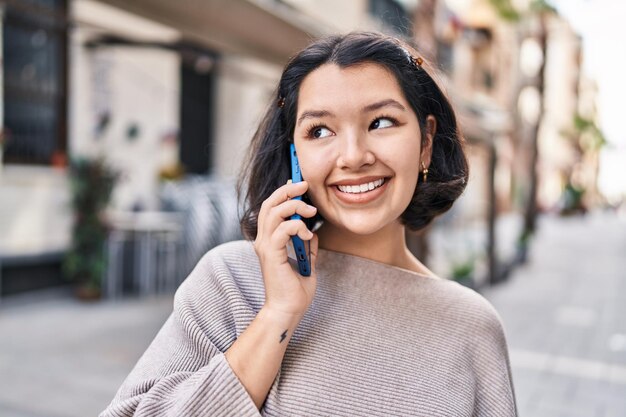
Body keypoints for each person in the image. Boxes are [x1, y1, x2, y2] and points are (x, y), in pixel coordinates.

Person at [100, 31, 517, 417]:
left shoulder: (471, 328)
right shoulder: (232, 281)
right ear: (294, 155)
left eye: (382, 122)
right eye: (319, 130)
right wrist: (277, 314)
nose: (353, 156)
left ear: (426, 142)